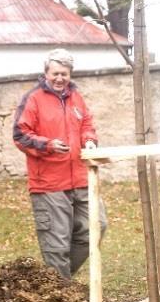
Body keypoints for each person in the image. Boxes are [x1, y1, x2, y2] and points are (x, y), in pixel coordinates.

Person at [13, 48, 107, 280]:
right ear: (46, 73)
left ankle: (56, 284)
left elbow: (86, 124)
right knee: (57, 244)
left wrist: (90, 141)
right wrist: (47, 145)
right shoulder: (33, 99)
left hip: (81, 179)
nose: (59, 78)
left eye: (64, 74)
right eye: (55, 73)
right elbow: (20, 135)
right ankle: (60, 296)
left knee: (96, 227)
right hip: (49, 184)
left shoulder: (76, 98)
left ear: (70, 74)